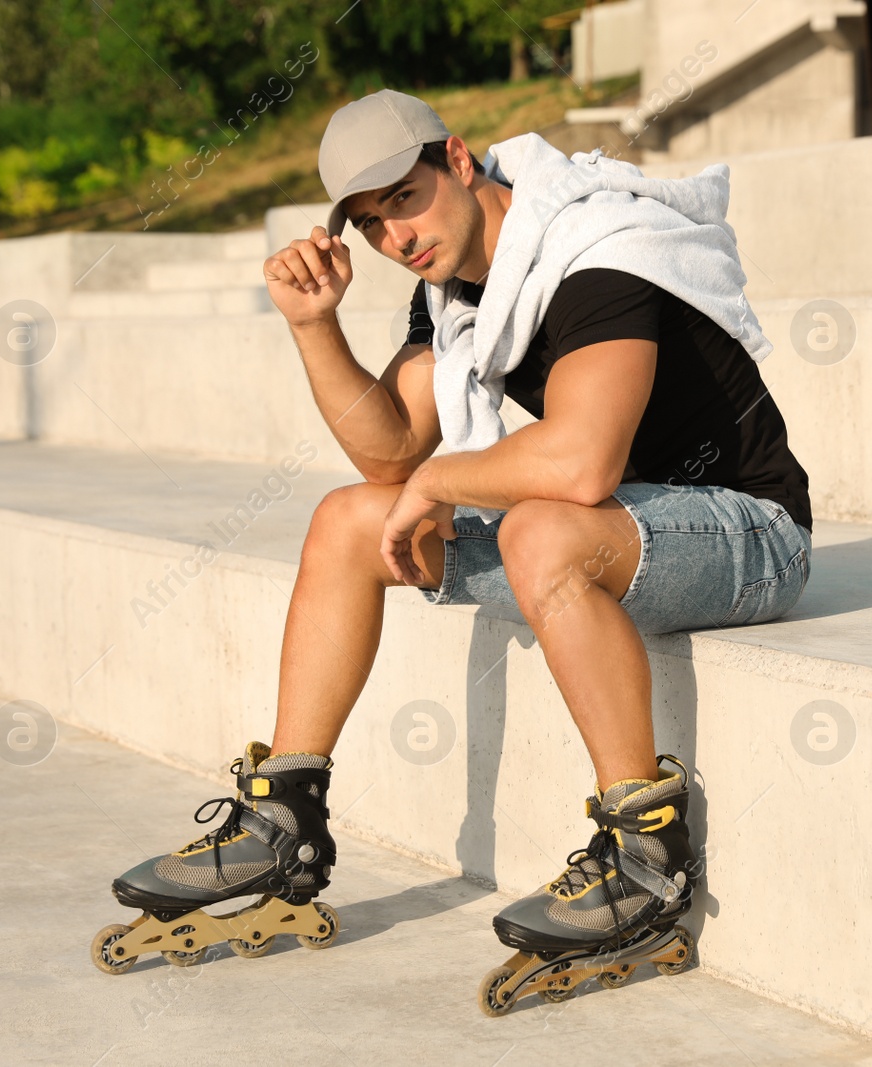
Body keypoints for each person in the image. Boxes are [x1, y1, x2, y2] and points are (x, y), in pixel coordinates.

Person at [94, 90, 812, 1008]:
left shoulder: (594, 251)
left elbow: (581, 460)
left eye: (405, 197)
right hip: (612, 535)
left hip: (744, 531)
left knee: (540, 523)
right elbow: (392, 448)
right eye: (369, 221)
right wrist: (314, 327)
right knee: (350, 518)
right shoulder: (456, 292)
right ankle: (283, 822)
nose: (396, 235)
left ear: (460, 160)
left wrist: (440, 485)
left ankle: (646, 856)